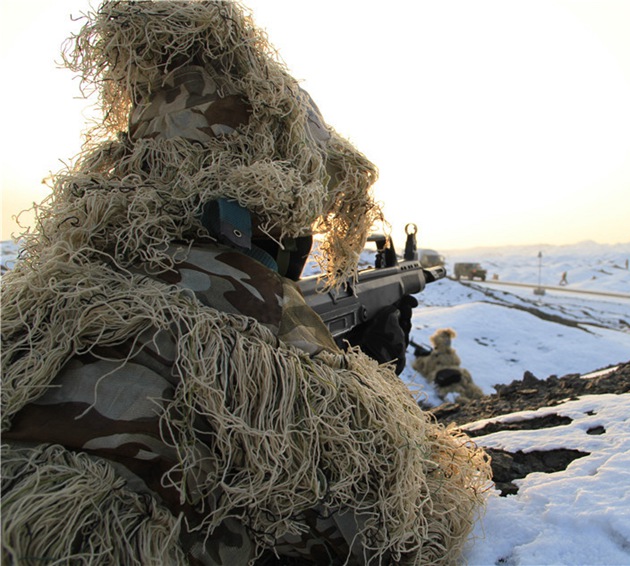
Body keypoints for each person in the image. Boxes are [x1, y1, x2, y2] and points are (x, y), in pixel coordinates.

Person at [0, 2, 490, 564]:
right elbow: (400, 530)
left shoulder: (43, 304)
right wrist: (369, 377)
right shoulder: (271, 344)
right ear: (278, 193)